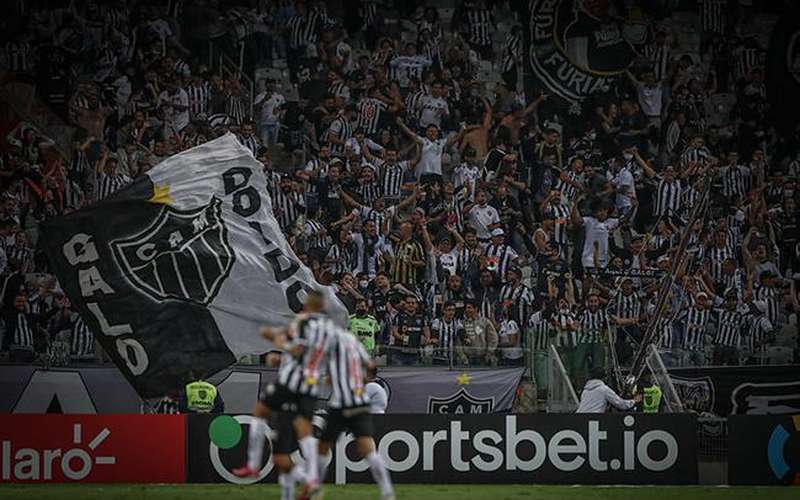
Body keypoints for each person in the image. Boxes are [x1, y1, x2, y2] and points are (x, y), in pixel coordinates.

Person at [233, 291, 334, 498]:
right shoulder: (328, 329)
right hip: (310, 387)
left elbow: (299, 350)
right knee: (293, 443)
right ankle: (310, 480)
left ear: (308, 305)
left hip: (291, 383)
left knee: (260, 411)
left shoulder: (304, 322)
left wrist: (279, 347)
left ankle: (253, 464)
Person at [316, 330, 394, 500]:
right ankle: (387, 491)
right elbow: (371, 368)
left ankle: (315, 489)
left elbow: (329, 381)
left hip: (340, 406)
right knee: (368, 449)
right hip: (358, 406)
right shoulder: (358, 354)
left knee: (322, 448)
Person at [576, 366, 640, 413]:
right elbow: (620, 403)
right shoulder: (604, 389)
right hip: (593, 419)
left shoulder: (585, 390)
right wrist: (634, 401)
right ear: (603, 378)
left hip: (580, 417)